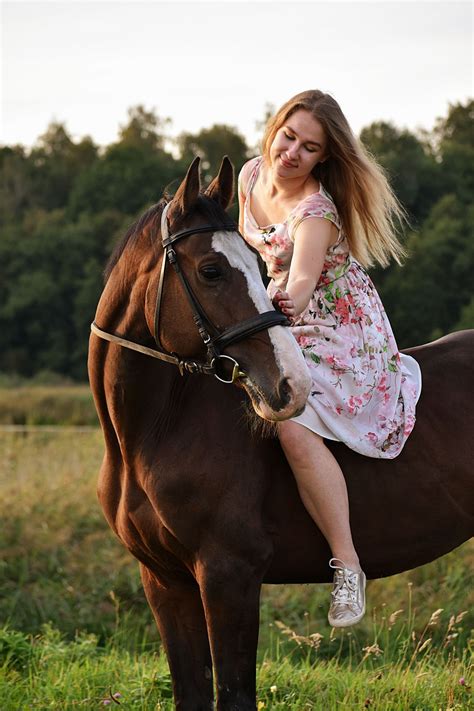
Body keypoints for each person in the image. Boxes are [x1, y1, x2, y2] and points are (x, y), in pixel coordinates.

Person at [238, 90, 422, 628]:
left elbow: (299, 284)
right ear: (274, 129)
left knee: (291, 421)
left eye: (309, 147)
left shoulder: (315, 212)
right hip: (267, 309)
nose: (291, 153)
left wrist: (276, 301)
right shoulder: (250, 176)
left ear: (324, 158)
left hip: (331, 319)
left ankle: (347, 565)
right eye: (288, 136)